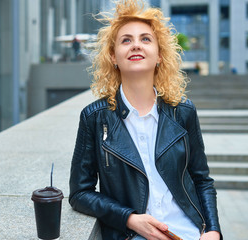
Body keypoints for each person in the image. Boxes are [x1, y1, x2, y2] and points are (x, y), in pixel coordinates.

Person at [69, 1, 222, 239]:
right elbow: (80, 193)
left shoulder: (183, 113)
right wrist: (129, 218)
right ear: (113, 57)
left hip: (189, 231)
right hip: (132, 235)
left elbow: (202, 180)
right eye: (126, 40)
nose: (136, 45)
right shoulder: (94, 118)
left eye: (146, 39)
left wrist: (213, 230)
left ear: (160, 55)